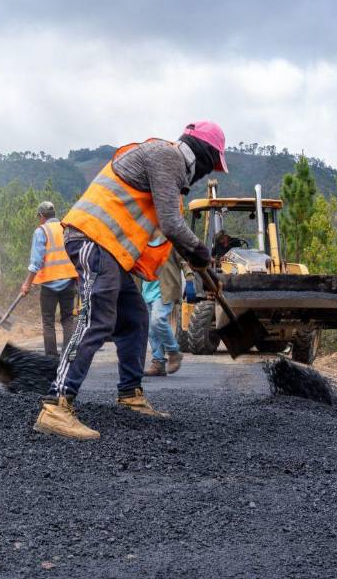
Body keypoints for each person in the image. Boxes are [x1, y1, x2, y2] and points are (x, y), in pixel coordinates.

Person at [34, 121, 228, 440]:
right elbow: (171, 224)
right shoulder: (168, 157)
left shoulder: (169, 170)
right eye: (211, 165)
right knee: (98, 318)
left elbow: (171, 230)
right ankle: (57, 404)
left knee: (135, 316)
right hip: (92, 239)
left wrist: (198, 263)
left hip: (108, 249)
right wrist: (201, 252)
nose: (208, 173)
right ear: (203, 154)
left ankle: (129, 394)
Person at [20, 202, 78, 357]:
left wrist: (27, 283)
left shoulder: (41, 231)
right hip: (69, 281)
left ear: (41, 216)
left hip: (49, 284)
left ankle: (51, 356)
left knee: (48, 321)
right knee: (68, 319)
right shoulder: (66, 227)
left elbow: (36, 262)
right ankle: (69, 353)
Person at [142, 247, 192, 376]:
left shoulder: (170, 241)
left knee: (157, 320)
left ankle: (174, 352)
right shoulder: (141, 239)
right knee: (151, 329)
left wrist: (190, 278)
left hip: (165, 289)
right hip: (146, 290)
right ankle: (158, 363)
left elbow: (184, 260)